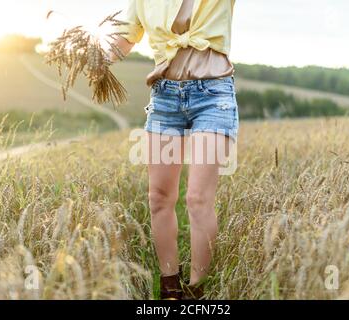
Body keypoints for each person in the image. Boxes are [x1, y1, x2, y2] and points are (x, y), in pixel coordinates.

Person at [109, 0, 238, 300]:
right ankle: (170, 291)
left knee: (197, 199)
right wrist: (92, 56)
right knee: (159, 198)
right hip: (165, 98)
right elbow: (125, 39)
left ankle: (196, 295)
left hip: (212, 95)